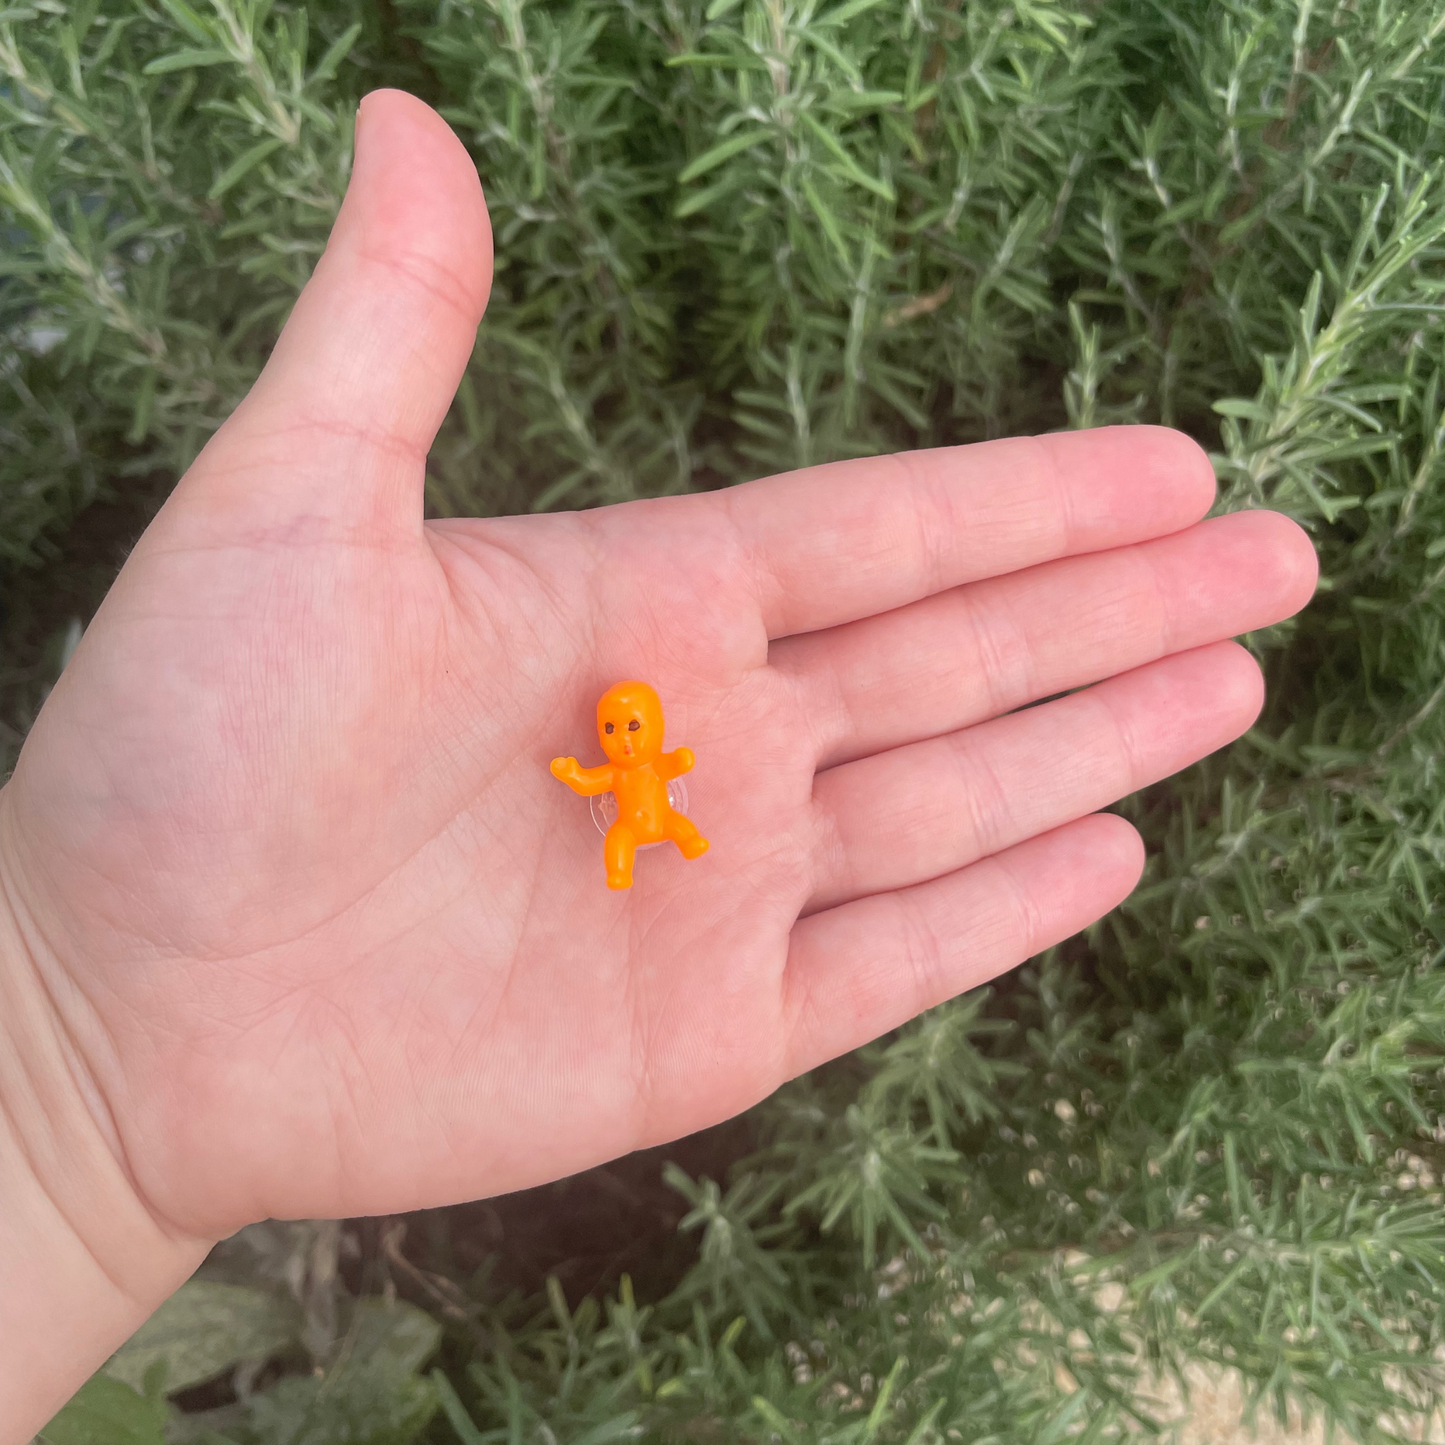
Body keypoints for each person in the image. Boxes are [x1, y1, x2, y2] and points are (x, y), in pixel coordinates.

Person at [0, 90, 1317, 1441]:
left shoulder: (640, 746)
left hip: (640, 824)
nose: (622, 732)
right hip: (613, 830)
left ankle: (657, 844)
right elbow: (605, 773)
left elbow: (657, 762)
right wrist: (69, 1046)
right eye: (619, 729)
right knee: (648, 835)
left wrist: (70, 1085)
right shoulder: (606, 754)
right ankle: (652, 845)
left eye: (626, 728)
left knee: (665, 831)